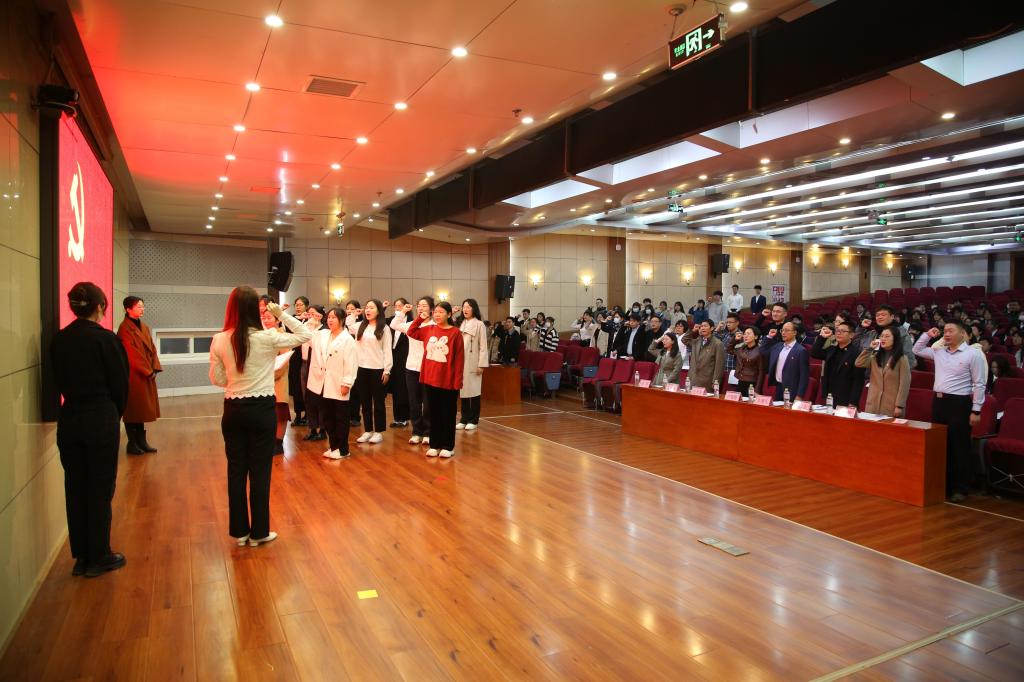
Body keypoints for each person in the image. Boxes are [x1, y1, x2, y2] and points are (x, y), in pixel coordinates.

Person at [209, 286, 311, 547]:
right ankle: (259, 532)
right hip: (262, 409)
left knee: (236, 471)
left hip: (233, 409)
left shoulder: (219, 339)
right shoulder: (267, 337)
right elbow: (305, 334)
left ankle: (240, 532)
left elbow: (217, 378)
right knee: (260, 472)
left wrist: (237, 380)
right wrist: (281, 314)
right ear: (257, 309)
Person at [53, 282, 130, 578]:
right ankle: (99, 554)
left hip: (70, 418)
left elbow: (57, 381)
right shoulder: (106, 340)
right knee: (100, 486)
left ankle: (82, 556)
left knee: (75, 486)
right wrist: (113, 414)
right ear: (100, 307)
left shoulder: (59, 339)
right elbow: (120, 385)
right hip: (100, 418)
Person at [914, 321, 987, 501]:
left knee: (958, 446)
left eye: (950, 331)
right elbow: (917, 349)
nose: (946, 334)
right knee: (940, 443)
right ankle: (943, 485)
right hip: (939, 402)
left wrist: (976, 410)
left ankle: (960, 488)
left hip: (959, 403)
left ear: (962, 334)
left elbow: (979, 384)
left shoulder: (973, 354)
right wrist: (928, 335)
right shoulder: (939, 352)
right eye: (945, 331)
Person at [404, 301, 465, 458]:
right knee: (433, 413)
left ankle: (448, 446)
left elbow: (459, 359)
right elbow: (411, 332)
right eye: (435, 312)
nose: (437, 315)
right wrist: (420, 318)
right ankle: (435, 444)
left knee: (448, 414)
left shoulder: (455, 333)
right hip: (430, 379)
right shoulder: (429, 329)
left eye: (441, 312)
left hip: (448, 380)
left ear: (449, 314)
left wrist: (458, 381)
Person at [305, 307, 358, 459]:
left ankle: (343, 449)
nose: (330, 320)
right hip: (323, 383)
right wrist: (311, 321)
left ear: (341, 320)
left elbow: (351, 363)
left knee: (340, 417)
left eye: (334, 317)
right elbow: (305, 335)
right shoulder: (323, 334)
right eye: (329, 317)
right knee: (327, 416)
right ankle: (334, 446)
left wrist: (347, 383)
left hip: (339, 383)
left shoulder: (347, 339)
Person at [117, 296, 161, 455]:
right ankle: (132, 443)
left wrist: (154, 367)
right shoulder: (124, 329)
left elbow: (152, 348)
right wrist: (148, 371)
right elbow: (131, 355)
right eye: (138, 307)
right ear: (128, 309)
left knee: (141, 410)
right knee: (133, 410)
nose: (142, 309)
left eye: (143, 306)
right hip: (134, 375)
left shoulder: (144, 326)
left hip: (146, 373)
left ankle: (141, 441)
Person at [347, 300, 393, 445]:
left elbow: (387, 350)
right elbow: (348, 324)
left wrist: (387, 370)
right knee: (364, 401)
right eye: (366, 308)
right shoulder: (360, 325)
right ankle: (368, 430)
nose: (368, 310)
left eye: (371, 308)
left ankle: (378, 432)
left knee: (378, 402)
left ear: (379, 311)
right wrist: (354, 314)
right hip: (361, 368)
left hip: (377, 368)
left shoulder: (384, 328)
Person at [391, 296, 435, 445]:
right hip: (411, 367)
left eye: (424, 305)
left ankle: (428, 432)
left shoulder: (435, 326)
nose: (421, 308)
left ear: (431, 309)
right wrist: (402, 311)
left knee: (428, 402)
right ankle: (417, 431)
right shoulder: (411, 324)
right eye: (419, 305)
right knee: (414, 401)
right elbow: (394, 324)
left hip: (428, 368)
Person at [260, 306, 293, 455]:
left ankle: (278, 443)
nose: (266, 321)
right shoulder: (262, 335)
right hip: (262, 381)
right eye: (264, 318)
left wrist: (269, 375)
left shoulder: (282, 336)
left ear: (278, 320)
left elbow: (284, 362)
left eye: (269, 318)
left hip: (277, 379)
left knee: (280, 414)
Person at [855, 327, 910, 417]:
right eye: (882, 336)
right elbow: (859, 363)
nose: (883, 338)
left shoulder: (902, 359)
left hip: (891, 404)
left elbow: (905, 384)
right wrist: (869, 349)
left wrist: (899, 405)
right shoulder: (875, 356)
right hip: (873, 402)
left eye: (887, 336)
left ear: (895, 339)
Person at [811, 321, 865, 408]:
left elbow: (858, 381)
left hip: (846, 398)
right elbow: (814, 353)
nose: (839, 333)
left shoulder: (856, 353)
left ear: (851, 335)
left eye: (843, 331)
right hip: (829, 396)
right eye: (837, 331)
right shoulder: (832, 349)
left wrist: (853, 402)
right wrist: (822, 337)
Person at [457, 299, 489, 431]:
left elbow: (483, 346)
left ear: (474, 309)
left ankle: (473, 420)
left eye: (468, 307)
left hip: (473, 362)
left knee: (474, 391)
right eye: (464, 307)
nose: (465, 309)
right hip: (461, 362)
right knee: (463, 391)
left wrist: (481, 364)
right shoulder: (460, 323)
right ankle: (464, 419)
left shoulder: (479, 324)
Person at [763, 321, 809, 401]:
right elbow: (763, 351)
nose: (783, 333)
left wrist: (799, 395)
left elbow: (804, 376)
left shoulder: (801, 351)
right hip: (778, 386)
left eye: (787, 330)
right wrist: (769, 337)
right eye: (782, 330)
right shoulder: (778, 346)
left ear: (794, 333)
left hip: (792, 390)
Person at [861, 304, 917, 369]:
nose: (880, 317)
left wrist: (889, 370)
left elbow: (910, 361)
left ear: (892, 317)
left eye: (883, 315)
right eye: (877, 315)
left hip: (891, 372)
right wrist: (861, 328)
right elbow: (860, 347)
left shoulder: (901, 334)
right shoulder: (874, 332)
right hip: (872, 371)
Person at [301, 304, 327, 442]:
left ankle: (322, 429)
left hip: (319, 367)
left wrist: (311, 327)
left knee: (320, 399)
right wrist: (308, 324)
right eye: (309, 314)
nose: (311, 317)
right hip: (306, 364)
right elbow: (301, 336)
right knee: (308, 398)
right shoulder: (307, 327)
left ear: (320, 316)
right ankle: (312, 428)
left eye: (313, 314)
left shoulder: (324, 330)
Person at [386, 298, 411, 428]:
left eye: (400, 306)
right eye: (395, 306)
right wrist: (383, 307)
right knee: (396, 388)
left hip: (405, 357)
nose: (397, 308)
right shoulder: (392, 320)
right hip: (393, 356)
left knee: (403, 388)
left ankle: (405, 417)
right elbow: (380, 320)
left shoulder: (410, 321)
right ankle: (397, 418)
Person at [681, 320, 725, 392]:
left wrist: (716, 381)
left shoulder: (718, 344)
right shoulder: (697, 341)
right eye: (701, 326)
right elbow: (684, 340)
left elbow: (719, 365)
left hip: (707, 381)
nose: (702, 328)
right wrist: (693, 330)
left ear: (712, 328)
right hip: (692, 378)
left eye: (705, 326)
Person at [287, 296, 310, 426]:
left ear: (306, 306)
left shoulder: (310, 320)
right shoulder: (291, 319)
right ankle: (298, 415)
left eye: (301, 305)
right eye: (296, 304)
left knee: (306, 386)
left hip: (307, 356)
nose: (298, 307)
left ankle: (308, 414)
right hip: (295, 355)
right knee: (296, 386)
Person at [728, 326, 765, 397]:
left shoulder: (760, 351)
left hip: (752, 383)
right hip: (740, 380)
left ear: (756, 337)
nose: (745, 336)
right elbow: (729, 350)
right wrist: (734, 340)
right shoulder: (741, 349)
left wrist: (757, 389)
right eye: (744, 334)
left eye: (748, 334)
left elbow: (761, 371)